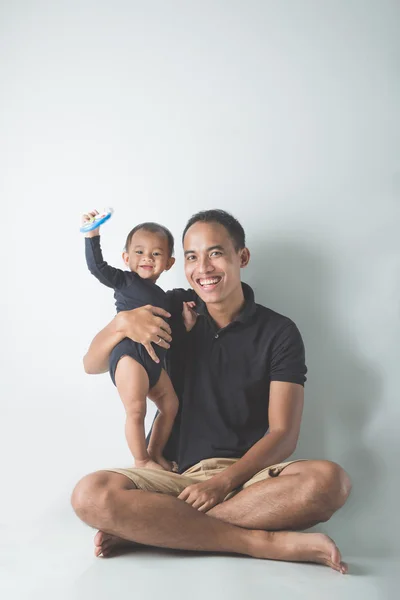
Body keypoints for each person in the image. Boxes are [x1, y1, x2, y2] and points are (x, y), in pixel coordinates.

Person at [72, 209, 352, 573]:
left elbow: (283, 434)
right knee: (89, 495)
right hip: (172, 475)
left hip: (249, 481)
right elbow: (92, 364)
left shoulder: (278, 331)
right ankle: (259, 542)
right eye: (192, 256)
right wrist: (121, 323)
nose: (203, 267)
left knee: (330, 482)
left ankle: (157, 530)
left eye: (216, 253)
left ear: (242, 257)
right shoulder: (169, 309)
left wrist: (222, 484)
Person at [82, 209, 195, 472]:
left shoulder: (166, 298)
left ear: (169, 262)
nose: (147, 258)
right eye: (139, 252)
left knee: (170, 404)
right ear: (126, 258)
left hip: (154, 363)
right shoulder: (125, 281)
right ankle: (141, 461)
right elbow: (96, 267)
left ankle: (155, 453)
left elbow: (170, 334)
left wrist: (186, 323)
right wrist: (92, 235)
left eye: (156, 254)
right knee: (136, 410)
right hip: (129, 356)